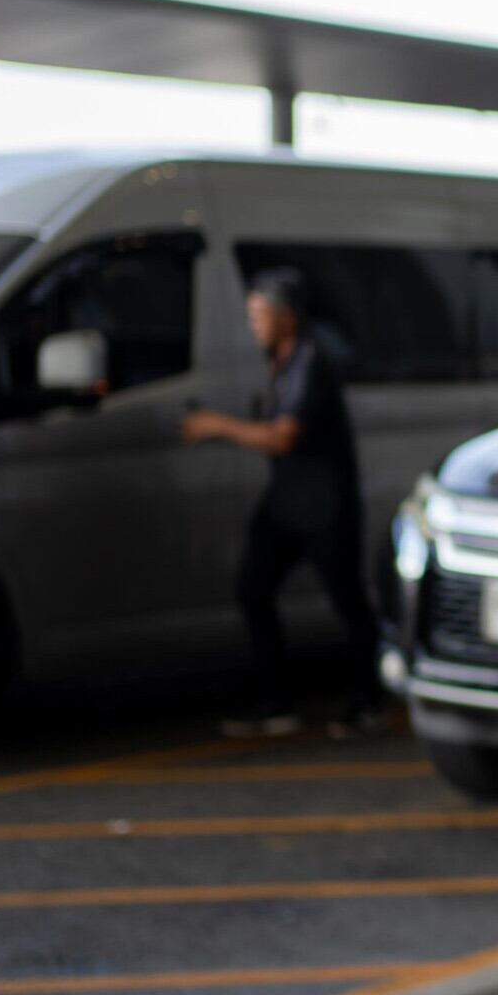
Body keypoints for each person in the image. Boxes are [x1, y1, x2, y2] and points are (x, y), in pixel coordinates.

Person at [181, 269, 387, 738]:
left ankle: (368, 701)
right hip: (286, 505)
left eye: (259, 314)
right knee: (254, 588)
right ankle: (276, 702)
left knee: (349, 602)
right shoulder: (283, 359)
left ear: (286, 317)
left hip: (324, 508)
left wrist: (215, 425)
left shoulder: (312, 362)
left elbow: (283, 436)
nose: (253, 324)